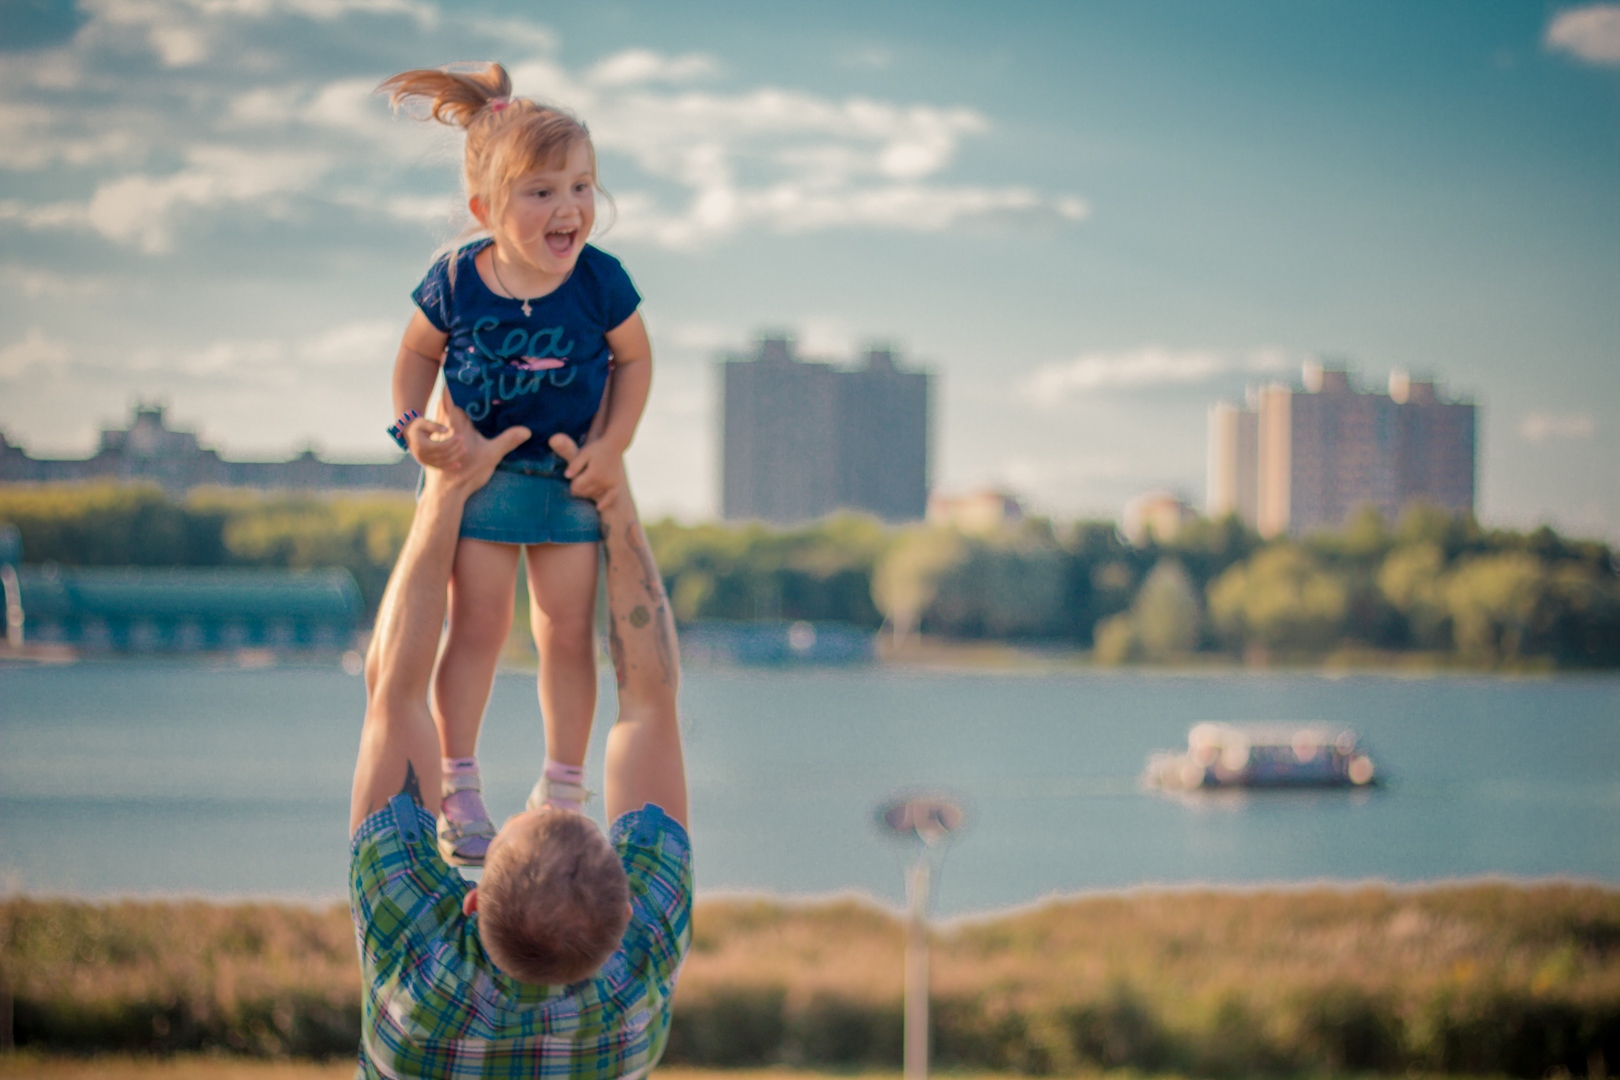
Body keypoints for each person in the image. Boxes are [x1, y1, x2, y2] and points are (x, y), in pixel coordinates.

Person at [349, 395, 688, 1078]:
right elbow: (649, 707)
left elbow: (395, 694)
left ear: (470, 902)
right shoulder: (631, 1010)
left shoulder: (415, 988)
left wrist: (444, 491)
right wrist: (611, 494)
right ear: (624, 913)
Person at [378, 61, 654, 865]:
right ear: (487, 210)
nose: (569, 207)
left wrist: (613, 447)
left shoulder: (603, 283)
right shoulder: (458, 279)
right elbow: (413, 358)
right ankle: (457, 789)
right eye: (541, 192)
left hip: (567, 482)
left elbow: (635, 363)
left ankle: (563, 791)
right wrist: (411, 429)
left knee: (566, 633)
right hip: (482, 479)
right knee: (479, 628)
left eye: (582, 186)